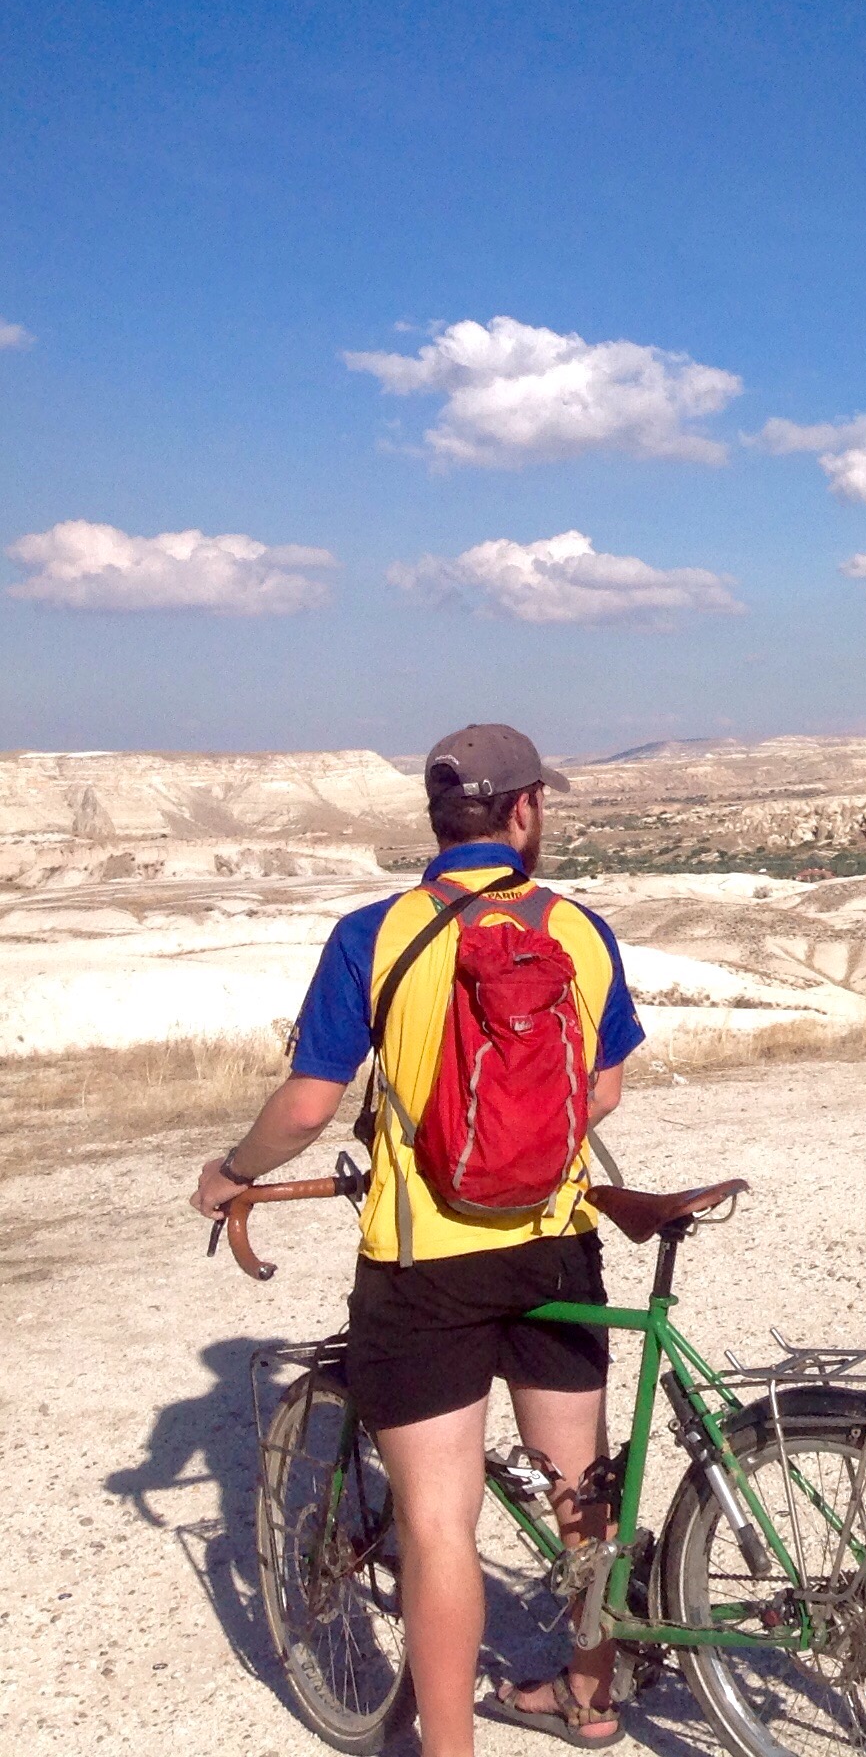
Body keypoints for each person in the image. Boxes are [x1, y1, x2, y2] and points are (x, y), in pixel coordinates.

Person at [192, 724, 646, 1752]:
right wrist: (524, 1149)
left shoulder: (374, 933)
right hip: (553, 1237)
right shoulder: (578, 930)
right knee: (579, 1494)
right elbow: (605, 1088)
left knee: (439, 1524)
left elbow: (309, 1107)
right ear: (525, 810)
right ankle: (589, 1696)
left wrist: (235, 1172)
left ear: (438, 820)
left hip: (422, 1262)